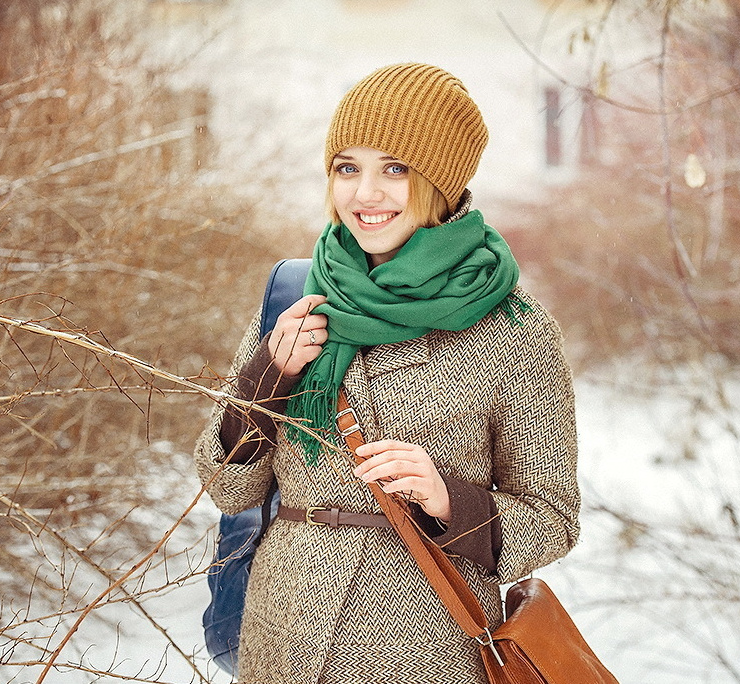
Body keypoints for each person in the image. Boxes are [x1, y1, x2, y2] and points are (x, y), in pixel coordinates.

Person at [193, 62, 580, 684]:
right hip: (281, 637)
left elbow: (553, 522)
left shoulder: (514, 330)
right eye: (348, 168)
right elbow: (228, 488)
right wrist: (269, 376)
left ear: (441, 180)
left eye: (394, 168)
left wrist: (449, 498)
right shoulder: (298, 298)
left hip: (428, 648)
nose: (364, 194)